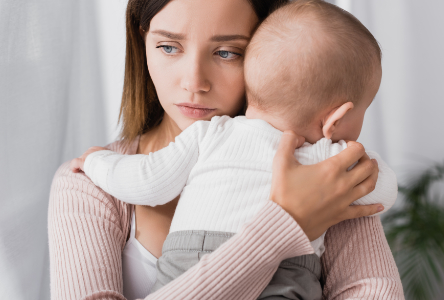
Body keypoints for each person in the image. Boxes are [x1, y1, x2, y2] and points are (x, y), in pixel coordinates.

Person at [48, 0, 404, 299]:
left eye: (227, 52)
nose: (194, 83)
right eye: (168, 47)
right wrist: (284, 224)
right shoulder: (87, 185)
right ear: (142, 43)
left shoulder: (327, 177)